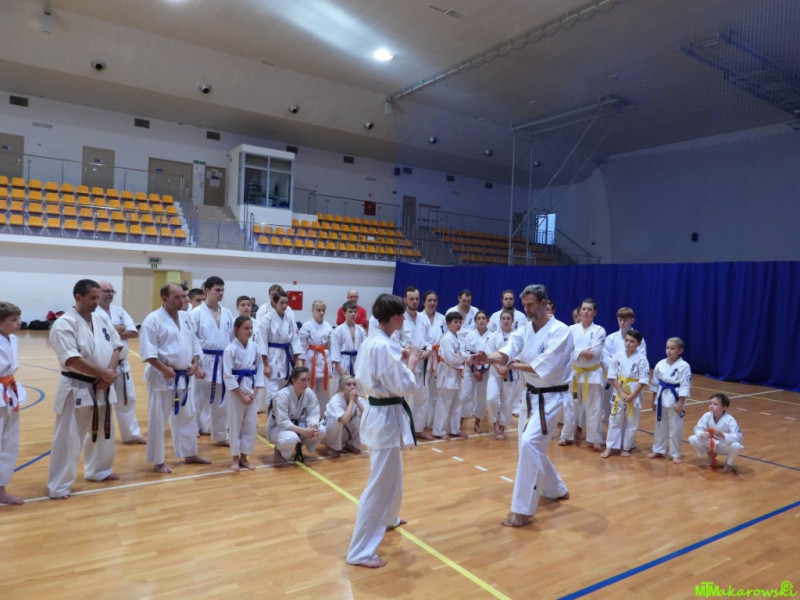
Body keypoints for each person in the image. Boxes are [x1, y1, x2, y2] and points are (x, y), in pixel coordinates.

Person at [472, 284, 573, 528]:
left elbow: (545, 365)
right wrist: (489, 357)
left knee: (529, 444)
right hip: (530, 396)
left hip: (552, 397)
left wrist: (512, 366)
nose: (526, 309)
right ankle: (556, 488)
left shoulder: (560, 331)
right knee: (528, 447)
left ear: (543, 303)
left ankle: (523, 510)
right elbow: (508, 350)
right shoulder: (525, 329)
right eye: (524, 305)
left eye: (530, 305)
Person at [346, 293, 421, 569]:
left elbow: (384, 368)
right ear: (395, 317)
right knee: (378, 484)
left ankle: (390, 517)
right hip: (384, 417)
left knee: (394, 474)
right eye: (402, 316)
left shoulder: (373, 341)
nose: (404, 319)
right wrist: (412, 361)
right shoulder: (384, 346)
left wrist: (401, 356)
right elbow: (405, 386)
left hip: (381, 413)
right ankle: (360, 552)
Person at [47, 279, 123, 499]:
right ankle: (59, 485)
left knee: (104, 433)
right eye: (92, 298)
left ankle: (99, 471)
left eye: (98, 297)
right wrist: (103, 374)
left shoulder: (101, 318)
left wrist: (109, 374)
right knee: (69, 438)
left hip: (104, 384)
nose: (97, 302)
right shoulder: (64, 324)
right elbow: (71, 359)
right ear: (78, 297)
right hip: (76, 385)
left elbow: (116, 346)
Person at [140, 283, 210, 474]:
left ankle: (190, 453)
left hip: (184, 376)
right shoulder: (153, 320)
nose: (182, 300)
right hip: (161, 377)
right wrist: (164, 369)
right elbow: (148, 352)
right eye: (177, 297)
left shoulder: (186, 317)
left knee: (188, 416)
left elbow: (194, 343)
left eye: (184, 296)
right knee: (158, 420)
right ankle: (158, 461)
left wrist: (195, 363)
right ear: (164, 298)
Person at [97, 281, 146, 444]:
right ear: (97, 292)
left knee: (128, 399)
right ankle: (102, 439)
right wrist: (118, 328)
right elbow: (95, 333)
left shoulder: (119, 311)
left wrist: (109, 331)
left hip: (122, 365)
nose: (110, 294)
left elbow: (133, 332)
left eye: (112, 291)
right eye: (106, 291)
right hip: (101, 367)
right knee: (101, 403)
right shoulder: (93, 312)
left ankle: (131, 435)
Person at [189, 276, 234, 443]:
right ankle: (190, 432)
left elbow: (231, 341)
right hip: (203, 361)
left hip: (222, 362)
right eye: (217, 290)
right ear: (207, 290)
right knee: (196, 402)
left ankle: (221, 435)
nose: (221, 293)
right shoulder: (195, 314)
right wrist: (195, 366)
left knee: (221, 404)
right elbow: (190, 341)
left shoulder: (227, 313)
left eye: (222, 290)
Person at [561, 298, 606, 451]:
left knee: (593, 408)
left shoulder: (599, 330)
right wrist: (581, 352)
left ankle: (594, 439)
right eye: (584, 309)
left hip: (592, 374)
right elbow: (566, 349)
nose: (586, 312)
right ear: (579, 312)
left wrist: (577, 351)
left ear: (595, 312)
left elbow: (594, 352)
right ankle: (566, 435)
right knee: (570, 405)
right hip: (574, 373)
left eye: (589, 309)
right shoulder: (571, 329)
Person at [223, 316, 264, 472]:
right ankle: (235, 458)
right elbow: (228, 375)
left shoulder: (255, 348)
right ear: (237, 329)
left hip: (252, 390)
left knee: (250, 425)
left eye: (251, 328)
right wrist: (241, 395)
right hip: (236, 393)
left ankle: (244, 458)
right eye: (246, 328)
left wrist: (254, 393)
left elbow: (259, 370)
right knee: (235, 425)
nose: (250, 331)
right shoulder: (230, 349)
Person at [601, 330, 649, 458]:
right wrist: (621, 392)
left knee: (631, 422)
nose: (628, 343)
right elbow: (612, 376)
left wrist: (632, 396)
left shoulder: (642, 359)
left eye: (632, 341)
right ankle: (610, 447)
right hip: (618, 391)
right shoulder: (618, 355)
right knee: (614, 419)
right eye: (626, 340)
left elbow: (643, 381)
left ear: (639, 343)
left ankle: (626, 447)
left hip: (634, 392)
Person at [258, 289, 304, 418]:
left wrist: (296, 363)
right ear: (275, 302)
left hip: (286, 355)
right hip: (272, 356)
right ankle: (272, 420)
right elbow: (262, 342)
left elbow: (295, 340)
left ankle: (284, 419)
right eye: (281, 303)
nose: (284, 306)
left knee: (286, 389)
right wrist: (266, 365)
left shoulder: (289, 318)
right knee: (272, 391)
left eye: (286, 303)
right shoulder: (267, 319)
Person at [648, 337, 691, 464]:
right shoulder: (660, 364)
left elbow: (685, 386)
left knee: (675, 428)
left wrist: (680, 403)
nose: (669, 351)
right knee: (660, 426)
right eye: (667, 348)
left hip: (675, 399)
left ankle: (675, 453)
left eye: (672, 348)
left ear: (680, 350)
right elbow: (655, 384)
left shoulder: (684, 366)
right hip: (661, 398)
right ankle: (658, 449)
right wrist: (653, 400)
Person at [268, 366, 324, 464]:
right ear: (294, 380)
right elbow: (283, 422)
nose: (306, 383)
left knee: (321, 430)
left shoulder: (309, 393)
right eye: (303, 380)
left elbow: (313, 413)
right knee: (291, 438)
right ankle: (278, 450)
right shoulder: (282, 395)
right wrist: (304, 431)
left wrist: (312, 426)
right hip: (278, 429)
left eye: (308, 379)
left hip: (299, 426)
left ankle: (299, 443)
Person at [0, 302, 27, 505]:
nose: (19, 323)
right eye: (13, 320)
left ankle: (1, 489)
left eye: (19, 319)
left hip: (9, 391)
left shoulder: (13, 339)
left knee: (9, 442)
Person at [602, 307, 647, 425]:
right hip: (613, 380)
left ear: (632, 320)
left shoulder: (639, 339)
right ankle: (612, 434)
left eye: (625, 320)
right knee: (611, 412)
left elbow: (641, 360)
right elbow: (605, 358)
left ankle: (627, 435)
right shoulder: (611, 338)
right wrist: (616, 373)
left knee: (629, 414)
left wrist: (624, 371)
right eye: (620, 320)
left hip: (631, 382)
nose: (622, 323)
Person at [400, 286, 433, 440]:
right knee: (407, 398)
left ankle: (418, 429)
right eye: (411, 299)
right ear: (405, 300)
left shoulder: (424, 318)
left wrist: (428, 352)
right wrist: (407, 351)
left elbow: (430, 340)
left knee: (422, 398)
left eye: (417, 299)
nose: (414, 301)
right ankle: (405, 431)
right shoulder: (400, 318)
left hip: (422, 364)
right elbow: (395, 340)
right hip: (406, 364)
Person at [485, 308, 522, 441]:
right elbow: (489, 354)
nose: (506, 321)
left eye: (508, 318)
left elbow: (520, 355)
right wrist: (499, 367)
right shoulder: (493, 336)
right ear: (500, 320)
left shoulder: (518, 336)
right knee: (491, 398)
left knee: (507, 402)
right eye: (503, 318)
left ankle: (502, 425)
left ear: (513, 320)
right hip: (495, 372)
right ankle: (495, 421)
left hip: (511, 372)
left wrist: (506, 368)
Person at [432, 312, 468, 439]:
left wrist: (462, 356)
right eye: (455, 322)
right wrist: (462, 357)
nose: (458, 324)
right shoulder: (446, 338)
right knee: (444, 403)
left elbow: (463, 354)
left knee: (457, 403)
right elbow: (451, 358)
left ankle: (454, 429)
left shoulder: (459, 338)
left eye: (460, 322)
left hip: (457, 374)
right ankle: (439, 431)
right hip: (447, 374)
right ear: (448, 324)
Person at [688, 393, 743, 472]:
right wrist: (702, 434)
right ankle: (710, 455)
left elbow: (738, 436)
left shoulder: (730, 419)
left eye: (715, 404)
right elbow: (697, 429)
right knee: (692, 438)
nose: (711, 406)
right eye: (710, 403)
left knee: (736, 446)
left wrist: (723, 435)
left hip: (723, 446)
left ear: (724, 407)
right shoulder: (707, 415)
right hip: (711, 444)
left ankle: (729, 463)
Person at [299, 300, 333, 416]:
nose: (321, 313)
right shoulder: (306, 326)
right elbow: (302, 345)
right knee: (309, 388)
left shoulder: (328, 326)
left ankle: (323, 414)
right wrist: (302, 363)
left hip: (324, 357)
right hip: (311, 357)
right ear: (312, 310)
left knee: (324, 390)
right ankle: (309, 415)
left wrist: (332, 362)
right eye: (318, 310)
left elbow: (332, 345)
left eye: (323, 310)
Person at [421, 290, 446, 432]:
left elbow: (445, 338)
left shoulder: (442, 319)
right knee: (422, 392)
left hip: (438, 358)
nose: (432, 303)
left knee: (436, 392)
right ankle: (420, 422)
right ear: (424, 302)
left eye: (434, 300)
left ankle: (431, 422)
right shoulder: (419, 318)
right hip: (423, 357)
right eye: (429, 300)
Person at [463, 310, 491, 433]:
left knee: (481, 397)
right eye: (478, 318)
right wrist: (475, 370)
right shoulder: (470, 335)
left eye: (483, 318)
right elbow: (466, 354)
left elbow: (492, 356)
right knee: (465, 395)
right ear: (475, 321)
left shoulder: (492, 335)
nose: (481, 320)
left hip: (486, 370)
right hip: (470, 369)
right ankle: (460, 422)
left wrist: (483, 370)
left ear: (488, 320)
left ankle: (477, 423)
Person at [323, 375, 364, 457]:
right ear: (342, 387)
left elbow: (367, 416)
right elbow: (344, 421)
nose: (352, 387)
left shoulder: (357, 398)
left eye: (354, 384)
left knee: (363, 419)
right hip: (329, 432)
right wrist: (352, 401)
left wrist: (357, 402)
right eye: (348, 384)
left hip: (344, 432)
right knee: (338, 421)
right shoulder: (336, 399)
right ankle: (332, 446)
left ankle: (351, 444)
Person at [331, 300, 366, 391]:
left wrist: (363, 367)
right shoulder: (338, 330)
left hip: (357, 361)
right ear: (344, 313)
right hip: (343, 362)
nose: (353, 314)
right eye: (350, 311)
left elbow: (364, 350)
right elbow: (335, 350)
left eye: (355, 312)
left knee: (357, 389)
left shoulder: (361, 330)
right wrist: (340, 370)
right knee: (342, 390)